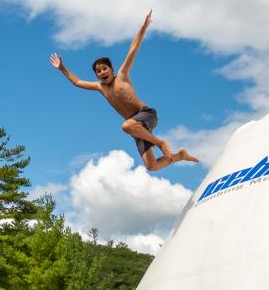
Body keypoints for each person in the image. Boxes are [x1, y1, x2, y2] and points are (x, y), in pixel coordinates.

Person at [50, 10, 199, 171]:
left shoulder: (122, 75)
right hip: (137, 127)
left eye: (104, 69)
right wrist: (62, 68)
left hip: (146, 114)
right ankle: (180, 156)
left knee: (126, 126)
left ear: (112, 69)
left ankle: (161, 143)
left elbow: (133, 49)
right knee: (152, 165)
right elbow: (77, 82)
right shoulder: (100, 87)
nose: (102, 73)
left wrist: (144, 27)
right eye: (98, 71)